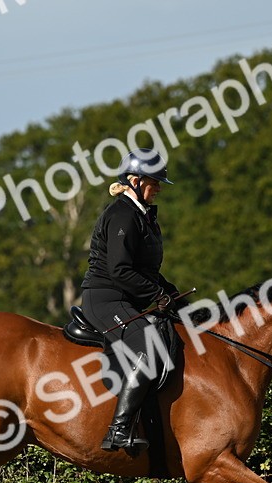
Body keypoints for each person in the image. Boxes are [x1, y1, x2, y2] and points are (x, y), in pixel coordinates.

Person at [80, 148, 184, 453]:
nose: (159, 187)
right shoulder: (123, 214)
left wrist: (171, 293)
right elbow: (121, 270)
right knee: (149, 349)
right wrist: (156, 295)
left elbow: (145, 271)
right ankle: (119, 430)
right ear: (135, 181)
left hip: (127, 296)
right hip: (105, 298)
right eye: (154, 181)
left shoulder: (143, 216)